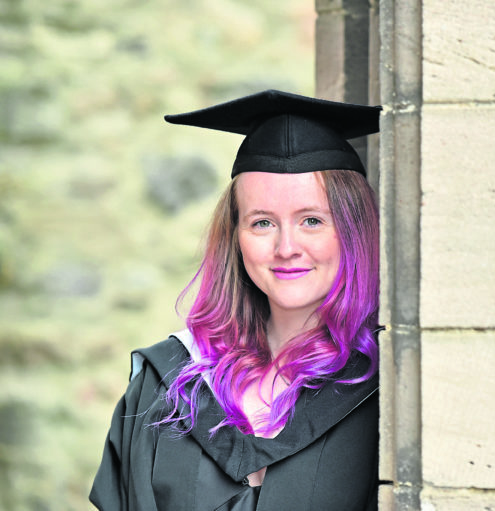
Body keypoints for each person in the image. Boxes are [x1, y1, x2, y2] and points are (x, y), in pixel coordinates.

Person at [89, 90, 382, 510]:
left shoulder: (388, 388)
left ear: (354, 231)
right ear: (236, 237)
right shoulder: (166, 382)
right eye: (261, 223)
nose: (286, 247)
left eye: (312, 220)